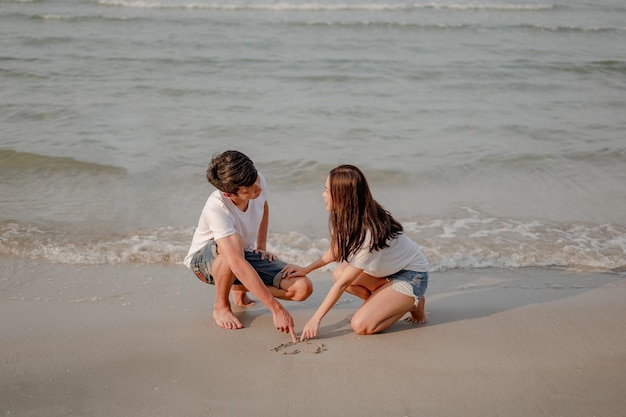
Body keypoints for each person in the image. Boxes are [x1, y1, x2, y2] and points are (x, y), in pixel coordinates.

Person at [283, 164, 429, 341]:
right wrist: (307, 269)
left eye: (327, 191)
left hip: (411, 276)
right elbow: (336, 250)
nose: (323, 195)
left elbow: (343, 285)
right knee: (339, 273)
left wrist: (315, 319)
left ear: (343, 196)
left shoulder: (369, 232)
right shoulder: (347, 214)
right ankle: (386, 303)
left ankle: (411, 304)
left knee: (361, 326)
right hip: (387, 273)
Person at [184, 150, 313, 342]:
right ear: (228, 194)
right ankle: (221, 306)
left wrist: (261, 246)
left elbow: (263, 206)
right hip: (205, 263)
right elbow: (235, 260)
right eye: (248, 190)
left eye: (256, 182)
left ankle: (239, 287)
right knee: (231, 247)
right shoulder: (217, 209)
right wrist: (276, 309)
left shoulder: (256, 180)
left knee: (303, 288)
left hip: (242, 255)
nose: (257, 189)